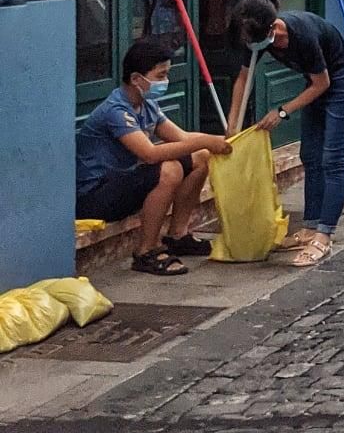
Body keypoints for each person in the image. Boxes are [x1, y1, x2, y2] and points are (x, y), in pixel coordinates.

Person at [75, 35, 231, 276]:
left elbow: (181, 138)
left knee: (199, 157)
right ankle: (146, 251)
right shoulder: (116, 111)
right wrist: (204, 141)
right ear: (137, 79)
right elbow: (149, 154)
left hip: (122, 183)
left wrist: (222, 140)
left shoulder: (146, 105)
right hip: (95, 196)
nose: (165, 81)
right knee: (169, 169)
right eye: (160, 76)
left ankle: (178, 235)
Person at [227, 0, 344, 266]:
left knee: (332, 158)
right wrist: (232, 124)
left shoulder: (302, 34)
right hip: (314, 83)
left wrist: (282, 111)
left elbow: (322, 83)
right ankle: (310, 226)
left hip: (340, 82)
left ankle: (324, 236)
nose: (252, 46)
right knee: (310, 156)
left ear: (273, 28)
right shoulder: (253, 36)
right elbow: (243, 79)